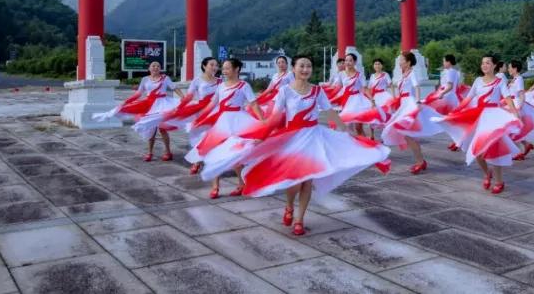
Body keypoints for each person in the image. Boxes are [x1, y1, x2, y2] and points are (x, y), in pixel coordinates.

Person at [232, 55, 391, 236]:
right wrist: (261, 137)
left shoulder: (317, 91)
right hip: (292, 139)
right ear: (294, 69)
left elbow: (331, 113)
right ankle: (290, 206)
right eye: (301, 66)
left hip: (313, 138)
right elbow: (275, 118)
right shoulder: (285, 91)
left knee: (307, 179)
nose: (305, 69)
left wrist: (347, 132)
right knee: (293, 181)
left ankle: (299, 219)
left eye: (308, 66)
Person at [433, 54, 522, 194]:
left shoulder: (500, 82)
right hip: (479, 117)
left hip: (494, 118)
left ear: (494, 65)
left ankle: (499, 181)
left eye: (487, 63)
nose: (484, 65)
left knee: (495, 149)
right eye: (482, 63)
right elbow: (468, 99)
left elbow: (508, 98)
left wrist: (515, 113)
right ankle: (487, 173)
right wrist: (455, 111)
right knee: (478, 150)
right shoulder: (478, 81)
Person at [190, 57, 266, 198]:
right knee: (214, 153)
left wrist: (262, 121)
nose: (223, 71)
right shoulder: (221, 86)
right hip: (222, 123)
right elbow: (212, 104)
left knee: (234, 154)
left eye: (227, 68)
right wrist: (200, 118)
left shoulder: (244, 85)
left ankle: (242, 184)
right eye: (223, 68)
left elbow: (254, 104)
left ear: (236, 69)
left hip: (239, 121)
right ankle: (215, 187)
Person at [94, 60, 181, 161]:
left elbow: (175, 88)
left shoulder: (165, 78)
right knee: (150, 129)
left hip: (163, 105)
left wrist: (184, 98)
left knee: (162, 129)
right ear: (149, 68)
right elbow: (138, 94)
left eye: (158, 66)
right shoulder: (145, 79)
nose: (155, 67)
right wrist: (126, 101)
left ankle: (168, 152)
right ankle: (149, 152)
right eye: (153, 66)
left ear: (160, 68)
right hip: (149, 106)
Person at [380, 52, 443, 174]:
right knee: (407, 135)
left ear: (408, 62)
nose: (400, 62)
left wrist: (418, 102)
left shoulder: (412, 73)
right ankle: (420, 161)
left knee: (409, 135)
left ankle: (420, 162)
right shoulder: (404, 75)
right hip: (403, 104)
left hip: (410, 104)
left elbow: (417, 87)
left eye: (402, 60)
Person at [160, 57, 222, 174]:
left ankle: (208, 162)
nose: (215, 67)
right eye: (212, 65)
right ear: (204, 66)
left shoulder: (220, 81)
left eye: (216, 65)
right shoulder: (197, 81)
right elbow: (189, 96)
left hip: (216, 112)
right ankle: (197, 161)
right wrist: (178, 109)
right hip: (201, 111)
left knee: (212, 137)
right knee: (199, 137)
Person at [336, 54, 368, 135]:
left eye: (350, 60)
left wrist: (372, 100)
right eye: (346, 60)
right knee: (347, 126)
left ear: (355, 62)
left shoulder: (359, 75)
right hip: (346, 101)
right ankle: (353, 145)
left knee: (358, 127)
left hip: (357, 101)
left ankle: (365, 145)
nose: (348, 62)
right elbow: (337, 88)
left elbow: (364, 88)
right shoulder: (341, 74)